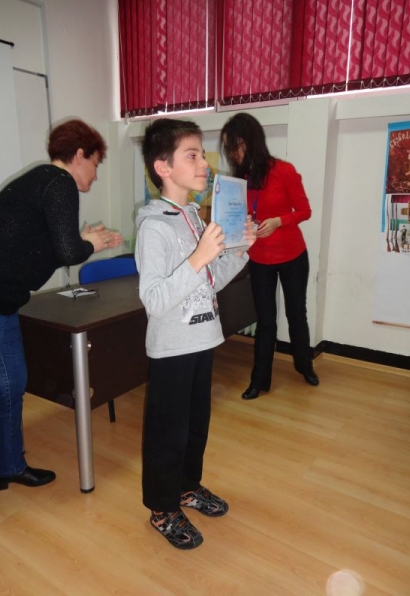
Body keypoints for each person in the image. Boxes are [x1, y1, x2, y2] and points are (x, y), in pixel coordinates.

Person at [0, 119, 123, 522]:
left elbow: (42, 250)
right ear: (79, 155)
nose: (96, 174)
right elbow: (67, 252)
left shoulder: (42, 183)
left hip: (3, 303)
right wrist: (91, 243)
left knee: (12, 387)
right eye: (95, 163)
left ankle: (9, 466)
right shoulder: (59, 182)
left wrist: (83, 240)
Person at [135, 117, 255, 550]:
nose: (204, 163)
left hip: (203, 338)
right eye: (192, 155)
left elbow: (209, 280)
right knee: (167, 433)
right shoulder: (155, 227)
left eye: (202, 154)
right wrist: (198, 258)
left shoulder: (191, 217)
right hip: (172, 348)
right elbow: (154, 299)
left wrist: (240, 250)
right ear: (163, 167)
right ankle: (162, 508)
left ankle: (186, 487)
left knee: (194, 427)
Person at [220, 112, 318, 401]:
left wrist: (279, 221)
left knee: (296, 313)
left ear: (249, 141)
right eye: (228, 147)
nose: (231, 153)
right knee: (265, 320)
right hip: (259, 258)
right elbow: (235, 218)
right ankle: (259, 381)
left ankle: (305, 366)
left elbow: (305, 211)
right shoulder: (237, 181)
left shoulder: (284, 171)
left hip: (292, 255)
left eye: (234, 145)